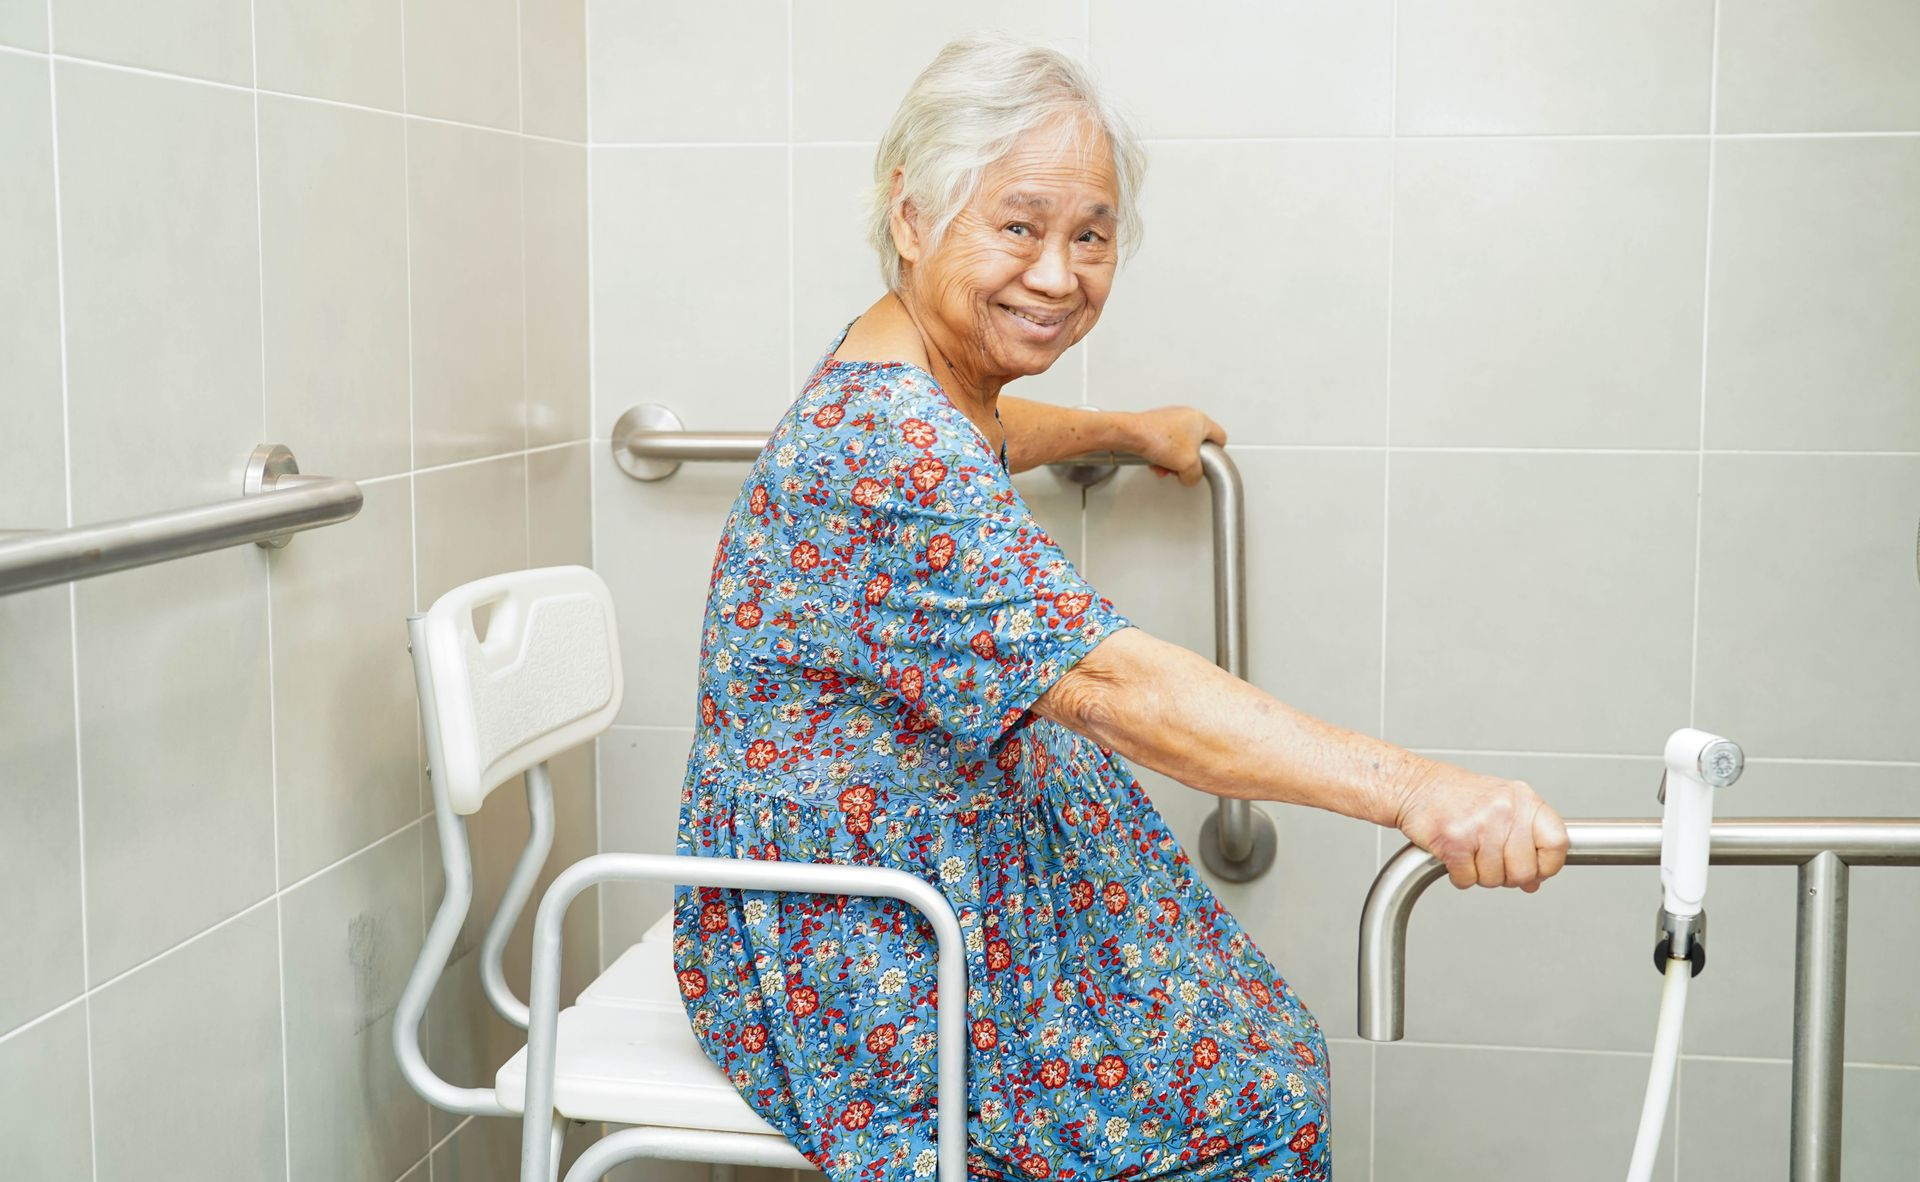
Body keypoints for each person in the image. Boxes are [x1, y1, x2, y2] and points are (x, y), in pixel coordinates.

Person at [673, 34, 1570, 1182]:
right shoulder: (892, 448)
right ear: (911, 219)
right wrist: (1423, 794)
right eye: (1019, 225)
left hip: (918, 845)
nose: (1058, 274)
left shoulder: (902, 367)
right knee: (1252, 1108)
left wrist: (1124, 429)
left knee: (1252, 1049)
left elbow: (989, 433)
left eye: (1089, 236)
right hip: (852, 929)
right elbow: (1117, 687)